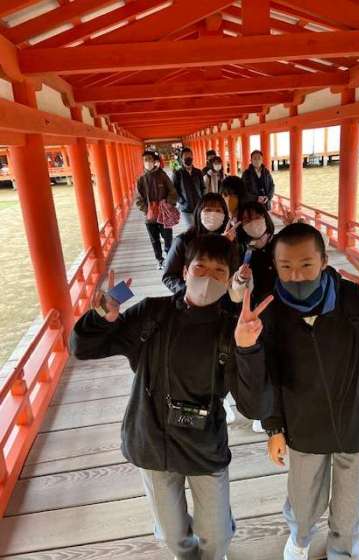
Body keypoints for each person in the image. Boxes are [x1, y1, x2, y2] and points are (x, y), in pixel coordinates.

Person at [70, 235, 273, 560]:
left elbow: (255, 406)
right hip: (152, 441)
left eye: (219, 272)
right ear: (184, 272)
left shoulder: (233, 329)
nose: (208, 277)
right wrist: (100, 316)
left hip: (204, 445)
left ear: (230, 282)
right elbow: (83, 348)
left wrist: (248, 349)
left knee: (217, 535)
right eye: (200, 267)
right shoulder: (151, 313)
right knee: (172, 534)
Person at [248, 222, 359, 560]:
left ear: (324, 261)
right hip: (302, 426)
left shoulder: (355, 298)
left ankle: (343, 548)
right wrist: (273, 426)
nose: (296, 275)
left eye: (306, 264)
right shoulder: (267, 311)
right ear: (275, 266)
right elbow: (265, 376)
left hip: (357, 419)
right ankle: (300, 538)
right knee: (303, 496)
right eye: (285, 266)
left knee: (352, 500)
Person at [163, 193, 238, 425]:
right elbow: (169, 276)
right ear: (198, 212)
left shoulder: (232, 239)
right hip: (191, 309)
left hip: (224, 309)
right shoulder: (184, 241)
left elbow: (234, 273)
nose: (213, 214)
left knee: (225, 354)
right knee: (200, 356)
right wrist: (192, 290)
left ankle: (224, 395)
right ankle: (209, 400)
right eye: (208, 209)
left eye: (219, 210)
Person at [230, 201, 276, 433]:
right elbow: (236, 295)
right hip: (255, 315)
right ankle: (264, 413)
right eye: (246, 220)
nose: (253, 223)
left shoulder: (280, 242)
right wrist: (240, 279)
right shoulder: (241, 251)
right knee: (260, 358)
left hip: (284, 310)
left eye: (256, 217)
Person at [136, 150, 177, 270]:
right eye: (145, 160)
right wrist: (147, 210)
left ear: (154, 161)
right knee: (154, 240)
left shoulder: (162, 175)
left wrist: (168, 203)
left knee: (168, 237)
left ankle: (169, 258)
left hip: (164, 214)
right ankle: (159, 259)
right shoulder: (141, 179)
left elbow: (172, 191)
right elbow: (138, 199)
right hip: (150, 217)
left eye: (150, 159)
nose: (148, 162)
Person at [174, 147, 205, 228]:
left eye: (190, 156)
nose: (188, 158)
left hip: (198, 206)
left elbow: (203, 187)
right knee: (190, 229)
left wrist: (202, 198)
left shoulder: (198, 172)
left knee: (200, 228)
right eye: (186, 157)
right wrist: (181, 201)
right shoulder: (178, 174)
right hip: (186, 207)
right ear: (181, 159)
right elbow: (174, 190)